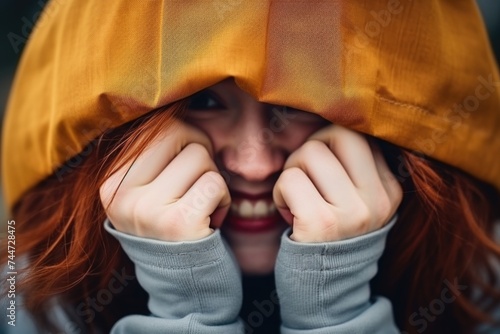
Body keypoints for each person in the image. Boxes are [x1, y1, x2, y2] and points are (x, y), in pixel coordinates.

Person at [2, 1, 500, 333]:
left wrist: (335, 307)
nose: (255, 164)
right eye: (203, 101)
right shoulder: (29, 294)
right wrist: (188, 308)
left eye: (303, 102)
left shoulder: (483, 281)